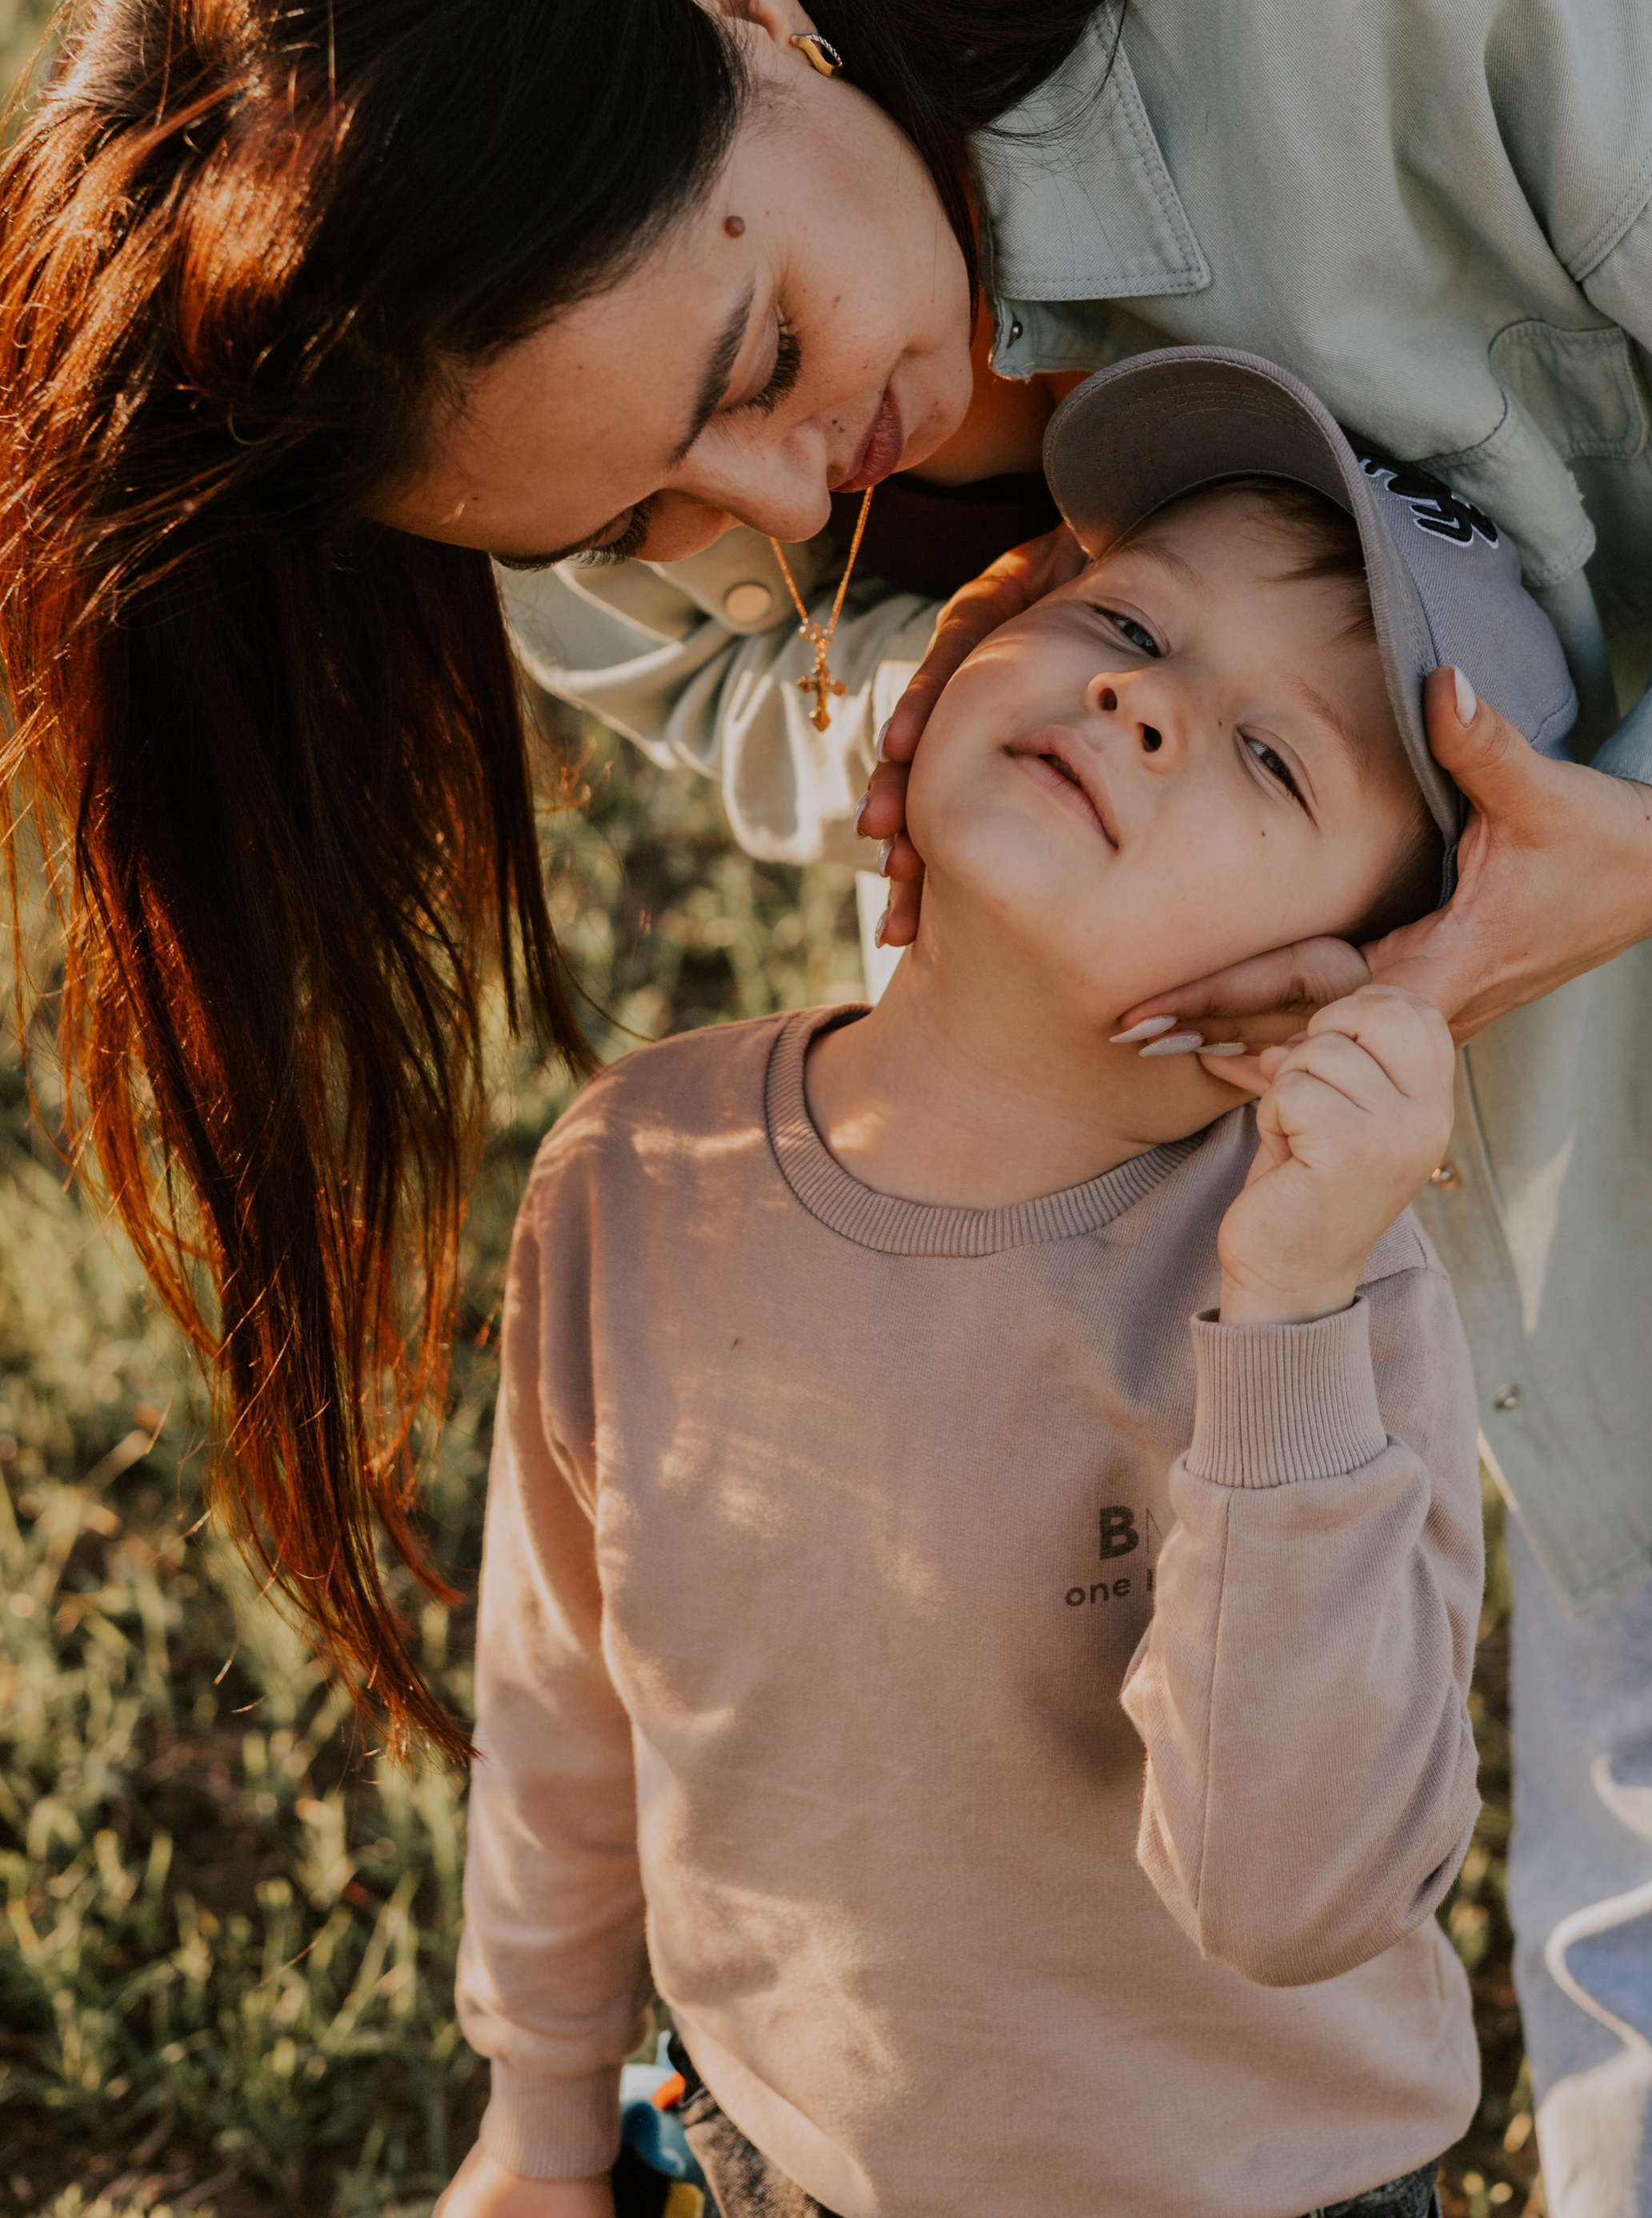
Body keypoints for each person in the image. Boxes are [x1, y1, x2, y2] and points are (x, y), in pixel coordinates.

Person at [4, 0, 1652, 2214]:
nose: (757, 510)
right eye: (632, 513)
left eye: (761, 353)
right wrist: (918, 716)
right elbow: (725, 682)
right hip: (1110, 1181)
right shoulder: (510, 377)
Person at [443, 347, 1578, 2218]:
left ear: (1348, 970)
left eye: (1274, 756)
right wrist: (544, 2104)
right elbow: (567, 1696)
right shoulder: (645, 1172)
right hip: (769, 2155)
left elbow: (1290, 1898)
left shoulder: (1325, 1311)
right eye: (1126, 614)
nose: (1142, 702)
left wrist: (1283, 1314)